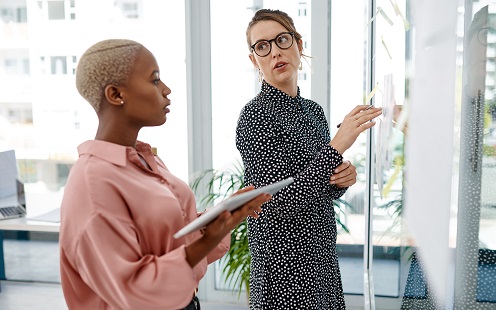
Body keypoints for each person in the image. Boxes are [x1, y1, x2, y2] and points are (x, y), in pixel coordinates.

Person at [59, 39, 271, 310]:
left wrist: (221, 216)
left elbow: (170, 239)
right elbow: (132, 290)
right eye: (155, 80)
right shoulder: (92, 183)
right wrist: (209, 238)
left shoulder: (145, 159)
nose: (167, 90)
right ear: (115, 94)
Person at [235, 9, 382, 309]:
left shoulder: (313, 111)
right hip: (283, 267)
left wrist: (342, 179)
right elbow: (279, 201)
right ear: (254, 60)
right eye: (262, 46)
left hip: (321, 256)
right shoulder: (254, 117)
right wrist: (337, 147)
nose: (275, 51)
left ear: (299, 46)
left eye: (282, 40)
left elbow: (319, 185)